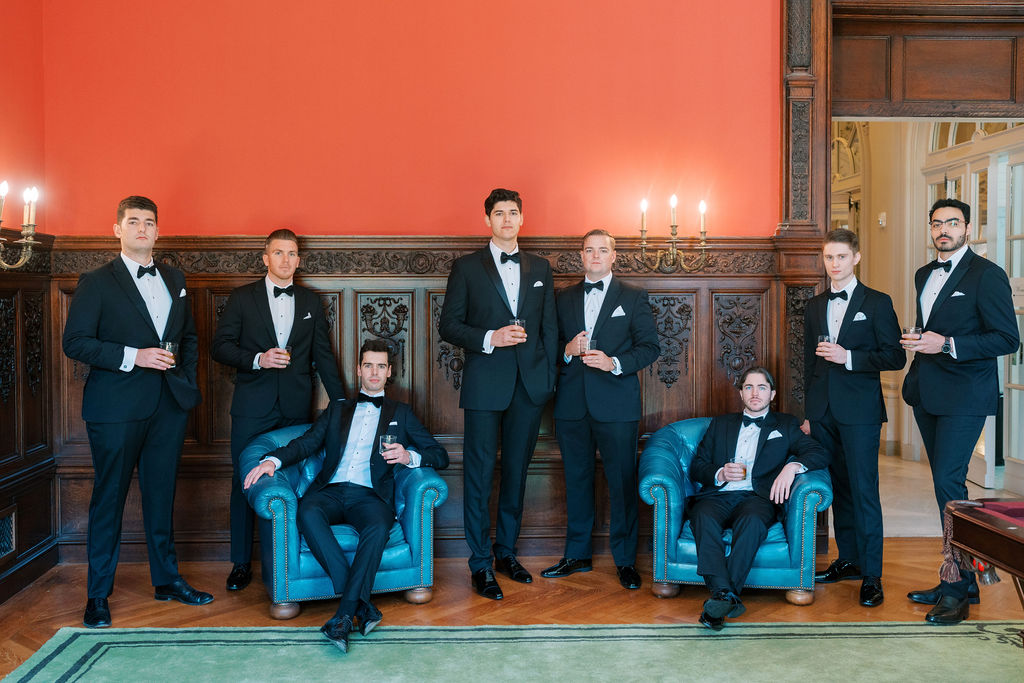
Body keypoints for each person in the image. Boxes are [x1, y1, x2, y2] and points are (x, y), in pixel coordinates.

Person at [242, 339, 448, 652]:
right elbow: (306, 443)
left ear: (389, 371)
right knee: (306, 512)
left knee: (378, 527)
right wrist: (273, 460)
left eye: (381, 366)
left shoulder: (402, 413)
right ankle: (361, 606)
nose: (374, 372)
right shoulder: (338, 409)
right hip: (330, 491)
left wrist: (410, 456)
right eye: (368, 365)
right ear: (359, 370)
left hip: (371, 497)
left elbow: (440, 454)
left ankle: (342, 617)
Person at [62, 196, 210, 629]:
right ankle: (97, 596)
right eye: (133, 222)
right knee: (108, 500)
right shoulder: (96, 281)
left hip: (169, 405)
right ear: (118, 230)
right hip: (115, 409)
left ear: (158, 231)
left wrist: (187, 384)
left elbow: (190, 338)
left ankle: (166, 580)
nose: (142, 228)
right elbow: (76, 343)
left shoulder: (175, 277)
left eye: (149, 222)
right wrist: (135, 356)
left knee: (161, 498)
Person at [901, 198, 1019, 625]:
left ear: (968, 227)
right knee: (945, 486)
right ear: (930, 228)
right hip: (927, 395)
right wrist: (920, 344)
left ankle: (956, 590)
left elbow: (1007, 339)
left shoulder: (987, 275)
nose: (944, 230)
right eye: (937, 223)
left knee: (949, 483)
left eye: (953, 223)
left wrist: (946, 344)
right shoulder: (922, 274)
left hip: (966, 396)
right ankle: (965, 577)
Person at [438, 188, 557, 600]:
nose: (507, 219)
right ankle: (479, 564)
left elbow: (549, 329)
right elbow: (449, 326)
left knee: (517, 475)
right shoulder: (467, 268)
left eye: (513, 213)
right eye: (499, 213)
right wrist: (492, 336)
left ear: (522, 219)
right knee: (478, 476)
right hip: (485, 387)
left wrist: (547, 381)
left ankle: (506, 552)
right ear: (487, 220)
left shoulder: (541, 267)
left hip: (529, 387)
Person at [211, 229, 345, 591]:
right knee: (245, 481)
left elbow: (323, 356)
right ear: (265, 258)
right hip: (252, 408)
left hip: (295, 410)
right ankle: (241, 563)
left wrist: (343, 402)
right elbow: (220, 347)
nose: (286, 260)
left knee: (294, 481)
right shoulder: (242, 299)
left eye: (292, 253)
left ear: (299, 259)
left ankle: (288, 561)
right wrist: (258, 358)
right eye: (279, 253)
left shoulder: (311, 302)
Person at [542, 229, 659, 590]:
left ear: (613, 256)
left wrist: (615, 363)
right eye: (589, 250)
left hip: (617, 404)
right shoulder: (562, 298)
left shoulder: (634, 297)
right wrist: (567, 350)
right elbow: (548, 349)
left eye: (602, 250)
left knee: (622, 482)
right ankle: (576, 555)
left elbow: (650, 347)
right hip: (572, 405)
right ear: (581, 256)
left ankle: (625, 561)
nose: (595, 255)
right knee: (576, 481)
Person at [802, 229, 905, 607]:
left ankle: (872, 575)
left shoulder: (877, 303)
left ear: (856, 258)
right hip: (823, 413)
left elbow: (895, 357)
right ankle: (847, 560)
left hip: (860, 413)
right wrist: (809, 413)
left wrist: (849, 357)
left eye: (841, 257)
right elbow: (807, 363)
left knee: (864, 491)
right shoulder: (814, 307)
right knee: (838, 489)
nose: (834, 264)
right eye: (829, 258)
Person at [689, 366, 829, 630]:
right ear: (741, 393)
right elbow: (698, 465)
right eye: (749, 387)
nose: (755, 393)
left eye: (762, 387)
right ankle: (725, 595)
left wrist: (792, 467)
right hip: (719, 495)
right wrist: (719, 472)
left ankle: (720, 597)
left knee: (752, 522)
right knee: (702, 515)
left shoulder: (786, 424)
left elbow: (819, 453)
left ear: (772, 394)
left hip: (758, 498)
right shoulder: (720, 423)